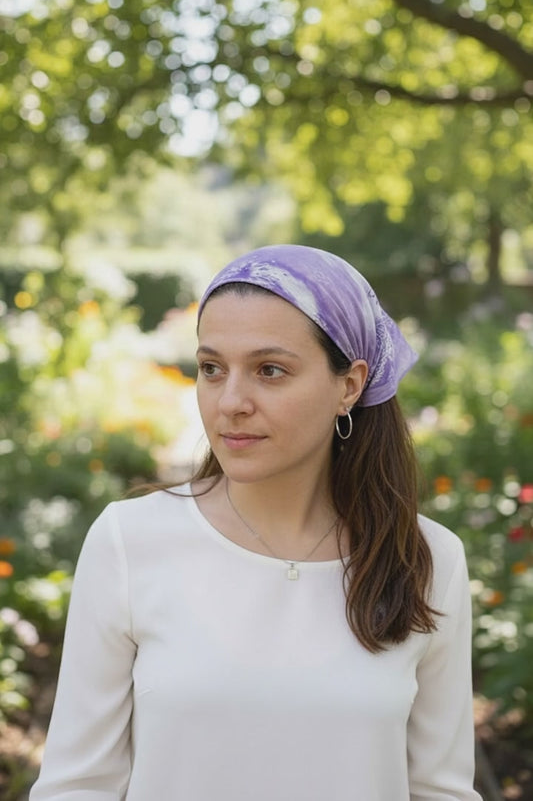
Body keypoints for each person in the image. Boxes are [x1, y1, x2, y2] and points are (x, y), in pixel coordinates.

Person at [30, 244, 482, 801]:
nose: (231, 401)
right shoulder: (129, 542)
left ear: (350, 384)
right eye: (211, 368)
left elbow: (440, 790)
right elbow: (77, 787)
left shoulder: (427, 559)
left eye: (270, 370)